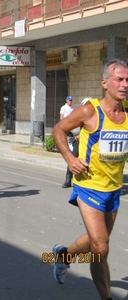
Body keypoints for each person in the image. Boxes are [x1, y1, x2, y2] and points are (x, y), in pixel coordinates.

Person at [51, 59, 128, 300]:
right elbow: (58, 130)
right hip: (88, 187)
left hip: (113, 189)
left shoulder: (126, 116)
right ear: (105, 83)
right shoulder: (89, 111)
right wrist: (69, 159)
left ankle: (64, 255)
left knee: (97, 243)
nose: (125, 84)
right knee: (102, 248)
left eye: (127, 80)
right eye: (119, 79)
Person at [61, 96, 93, 188]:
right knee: (73, 157)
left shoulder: (97, 118)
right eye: (87, 106)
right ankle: (68, 180)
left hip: (91, 144)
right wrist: (76, 134)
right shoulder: (79, 116)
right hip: (79, 142)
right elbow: (69, 126)